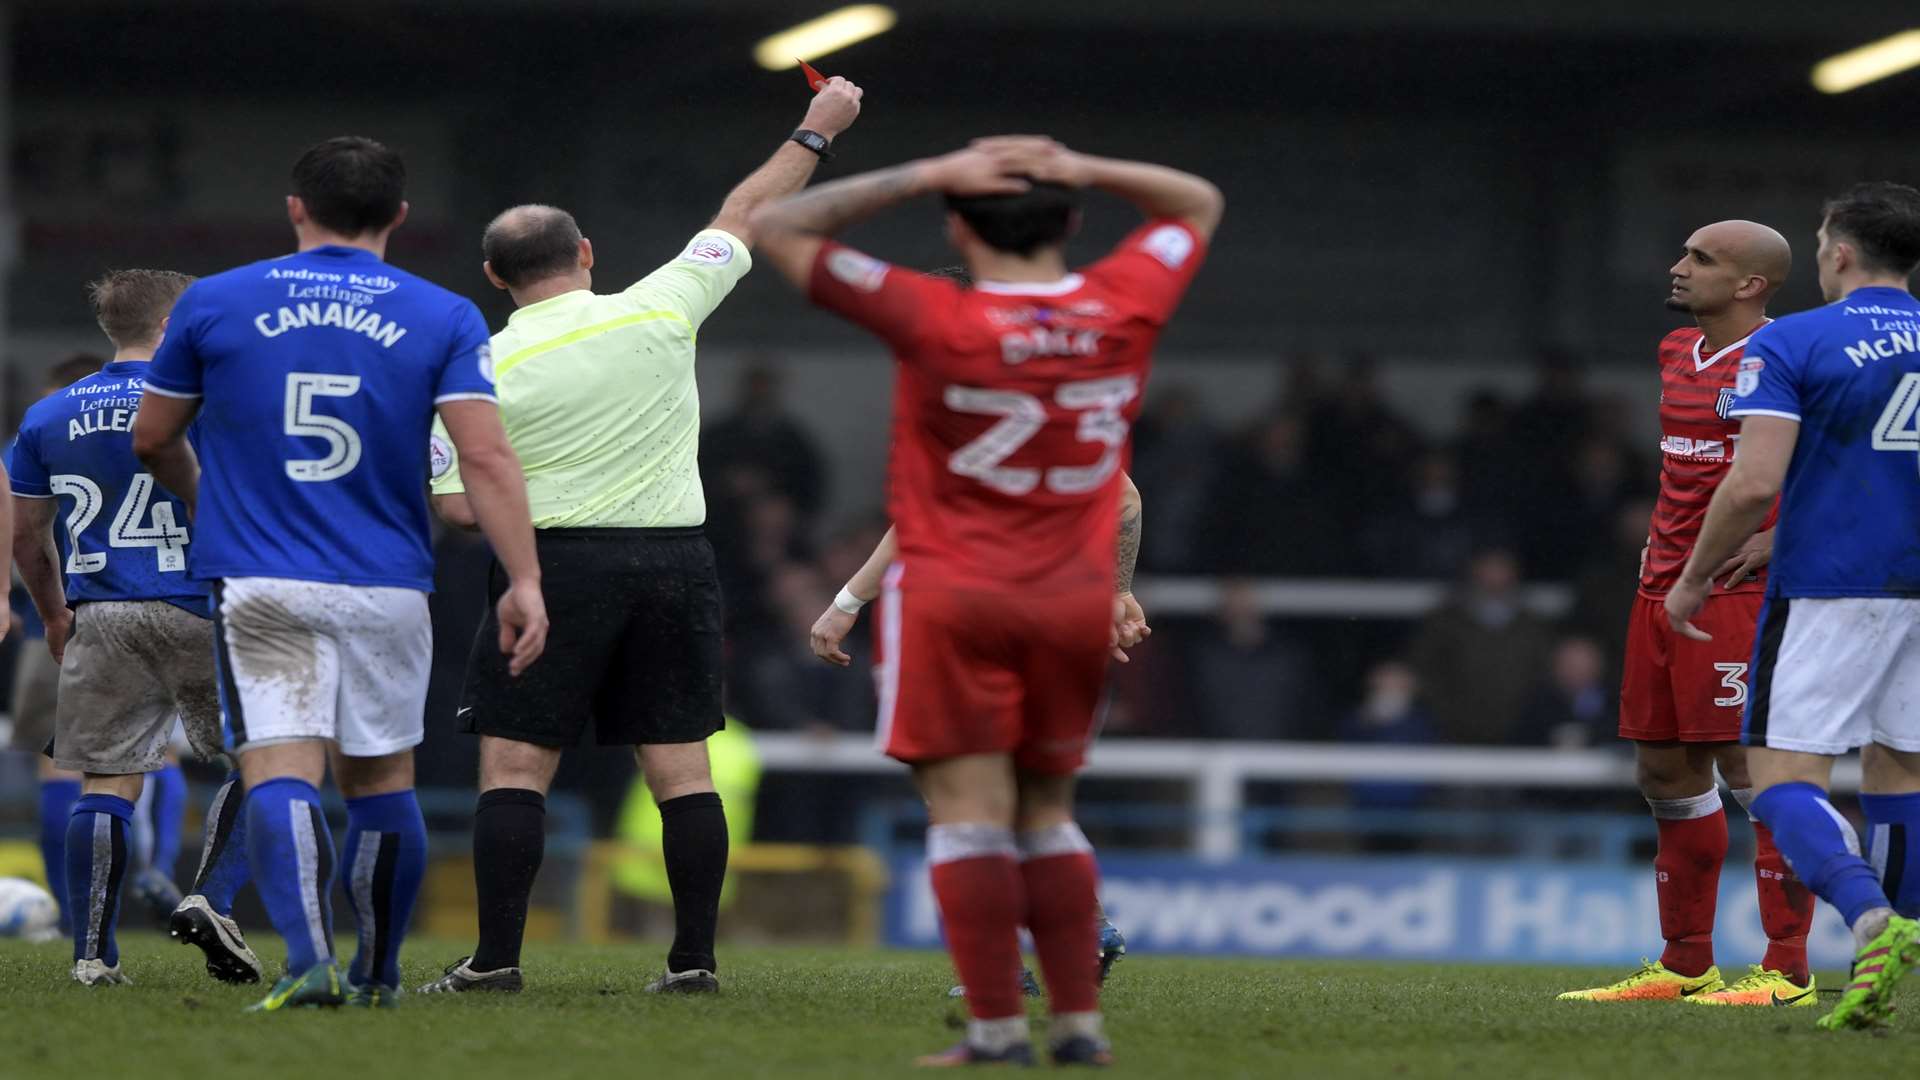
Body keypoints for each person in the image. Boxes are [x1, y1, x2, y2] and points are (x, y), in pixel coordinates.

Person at [751, 135, 1222, 1066]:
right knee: (1047, 811)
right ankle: (1080, 1027)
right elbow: (1196, 200)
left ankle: (997, 1027)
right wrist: (1082, 163)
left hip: (958, 595)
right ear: (1076, 222)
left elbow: (776, 222)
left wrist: (928, 171)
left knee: (965, 812)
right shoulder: (1118, 304)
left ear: (960, 227)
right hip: (1067, 602)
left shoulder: (935, 317)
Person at [418, 78, 864, 998]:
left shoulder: (477, 367)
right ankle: (693, 960)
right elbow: (747, 209)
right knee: (681, 770)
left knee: (513, 765)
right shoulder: (662, 305)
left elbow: (461, 511)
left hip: (553, 568)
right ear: (586, 253)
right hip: (675, 562)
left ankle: (496, 961)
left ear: (495, 278)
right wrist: (817, 131)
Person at [131, 136, 548, 1011]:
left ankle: (309, 962)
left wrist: (209, 502)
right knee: (382, 780)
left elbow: (151, 438)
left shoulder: (214, 303)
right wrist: (525, 580)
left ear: (294, 208)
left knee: (281, 769)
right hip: (389, 580)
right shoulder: (445, 315)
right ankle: (380, 972)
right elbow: (487, 458)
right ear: (398, 215)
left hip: (260, 578)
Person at [1667, 181, 1920, 1031]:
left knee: (1779, 779)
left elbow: (1754, 481)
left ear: (1839, 252)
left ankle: (1868, 914)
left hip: (1834, 584)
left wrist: (1696, 574)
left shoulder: (1795, 342)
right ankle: (1882, 970)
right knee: (1904, 772)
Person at [1560, 220, 1816, 1008]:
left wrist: (1782, 536)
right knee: (1665, 770)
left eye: (1700, 259)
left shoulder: (1792, 356)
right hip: (1663, 587)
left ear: (1751, 285)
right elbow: (1688, 473)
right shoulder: (1675, 352)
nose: (1677, 268)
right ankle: (1685, 964)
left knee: (1750, 769)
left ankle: (1786, 972)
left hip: (1737, 592)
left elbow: (1850, 460)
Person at [9, 271, 258, 987]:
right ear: (176, 321)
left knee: (105, 782)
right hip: (204, 602)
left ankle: (92, 956)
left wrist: (55, 613)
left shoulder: (48, 415)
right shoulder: (209, 399)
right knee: (271, 758)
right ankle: (211, 896)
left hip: (102, 612)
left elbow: (30, 538)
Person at [9, 352, 104, 939]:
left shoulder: (31, 439)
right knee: (154, 763)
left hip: (58, 616)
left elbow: (18, 533)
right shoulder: (149, 431)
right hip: (149, 605)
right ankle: (153, 886)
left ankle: (74, 919)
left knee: (57, 768)